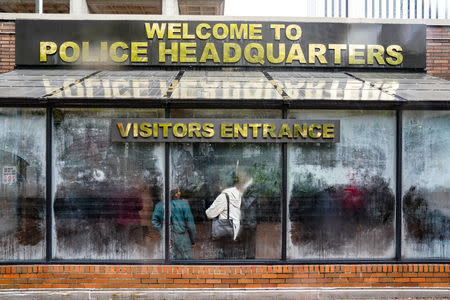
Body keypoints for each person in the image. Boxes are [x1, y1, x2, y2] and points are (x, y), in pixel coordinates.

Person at [205, 171, 252, 258]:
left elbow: (210, 214)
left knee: (223, 259)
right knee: (234, 258)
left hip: (225, 232)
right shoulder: (240, 195)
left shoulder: (224, 196)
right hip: (238, 231)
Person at [152, 188, 196, 259]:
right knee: (186, 264)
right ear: (175, 194)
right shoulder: (184, 204)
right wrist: (193, 240)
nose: (180, 193)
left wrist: (163, 233)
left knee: (167, 264)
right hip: (183, 238)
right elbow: (190, 224)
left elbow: (154, 222)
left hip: (167, 238)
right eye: (179, 191)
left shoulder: (159, 205)